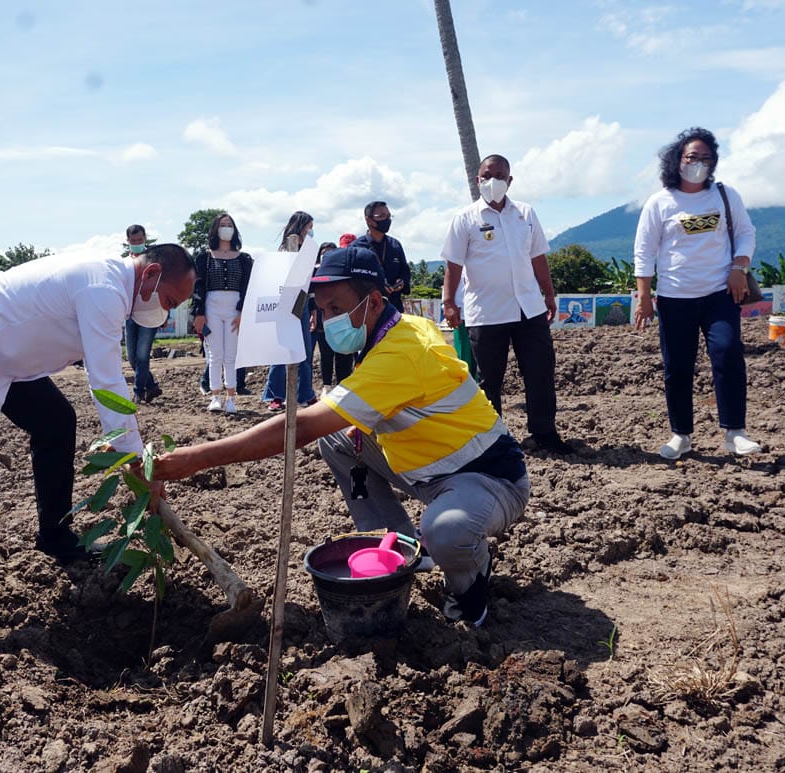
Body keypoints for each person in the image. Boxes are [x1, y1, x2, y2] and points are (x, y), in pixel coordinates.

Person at [157, 246, 529, 627]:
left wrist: (195, 458)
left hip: (488, 479)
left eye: (336, 309)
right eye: (322, 310)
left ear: (372, 303)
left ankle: (469, 586)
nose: (327, 319)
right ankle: (401, 545)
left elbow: (297, 428)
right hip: (430, 470)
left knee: (446, 530)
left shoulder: (401, 355)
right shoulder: (397, 329)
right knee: (339, 439)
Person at [0, 243, 195, 657]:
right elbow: (107, 384)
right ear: (149, 275)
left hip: (0, 357)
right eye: (169, 300)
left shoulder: (110, 283)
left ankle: (55, 535)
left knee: (56, 421)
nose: (165, 315)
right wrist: (137, 466)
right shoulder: (105, 289)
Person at [634, 127, 762, 460]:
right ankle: (681, 435)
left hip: (720, 293)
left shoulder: (724, 195)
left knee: (728, 353)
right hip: (675, 298)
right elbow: (644, 250)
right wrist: (645, 296)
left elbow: (746, 234)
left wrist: (739, 269)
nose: (699, 164)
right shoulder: (660, 202)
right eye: (692, 157)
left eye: (706, 158)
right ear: (677, 160)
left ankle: (735, 432)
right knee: (677, 367)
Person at [441, 154, 571, 454]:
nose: (492, 182)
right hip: (486, 312)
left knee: (540, 372)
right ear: (477, 180)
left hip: (529, 308)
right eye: (487, 176)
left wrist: (548, 294)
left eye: (500, 176)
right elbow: (453, 265)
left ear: (510, 181)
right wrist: (449, 302)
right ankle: (492, 438)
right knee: (489, 380)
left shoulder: (525, 214)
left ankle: (544, 433)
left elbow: (538, 256)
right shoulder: (465, 219)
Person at [192, 213, 254, 414]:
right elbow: (198, 285)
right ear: (215, 230)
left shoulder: (244, 259)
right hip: (212, 307)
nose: (226, 228)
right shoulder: (205, 257)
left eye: (229, 225)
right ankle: (215, 396)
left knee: (231, 355)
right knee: (215, 354)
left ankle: (231, 398)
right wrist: (199, 312)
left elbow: (248, 287)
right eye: (222, 225)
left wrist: (243, 311)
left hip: (235, 308)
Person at [262, 211, 317, 412]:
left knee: (305, 350)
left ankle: (305, 394)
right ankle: (275, 395)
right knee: (282, 349)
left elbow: (309, 285)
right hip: (284, 302)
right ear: (299, 227)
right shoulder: (285, 252)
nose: (311, 232)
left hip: (302, 302)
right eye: (309, 227)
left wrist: (312, 309)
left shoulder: (310, 253)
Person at [123, 225, 163, 404]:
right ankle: (152, 386)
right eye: (134, 241)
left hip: (150, 313)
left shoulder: (154, 260)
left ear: (145, 238)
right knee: (132, 358)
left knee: (142, 355)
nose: (137, 243)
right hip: (130, 314)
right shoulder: (125, 263)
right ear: (128, 241)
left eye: (140, 240)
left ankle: (138, 393)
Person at [310, 241, 354, 395]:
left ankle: (343, 386)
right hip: (323, 320)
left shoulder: (342, 273)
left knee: (344, 354)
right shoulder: (314, 272)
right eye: (324, 253)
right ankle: (327, 386)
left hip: (342, 319)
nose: (326, 256)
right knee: (326, 354)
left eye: (330, 253)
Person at [353, 201, 411, 312]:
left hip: (394, 306)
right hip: (368, 308)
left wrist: (401, 282)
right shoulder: (356, 248)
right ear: (369, 220)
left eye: (389, 216)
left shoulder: (395, 245)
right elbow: (353, 280)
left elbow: (405, 272)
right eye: (382, 216)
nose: (387, 220)